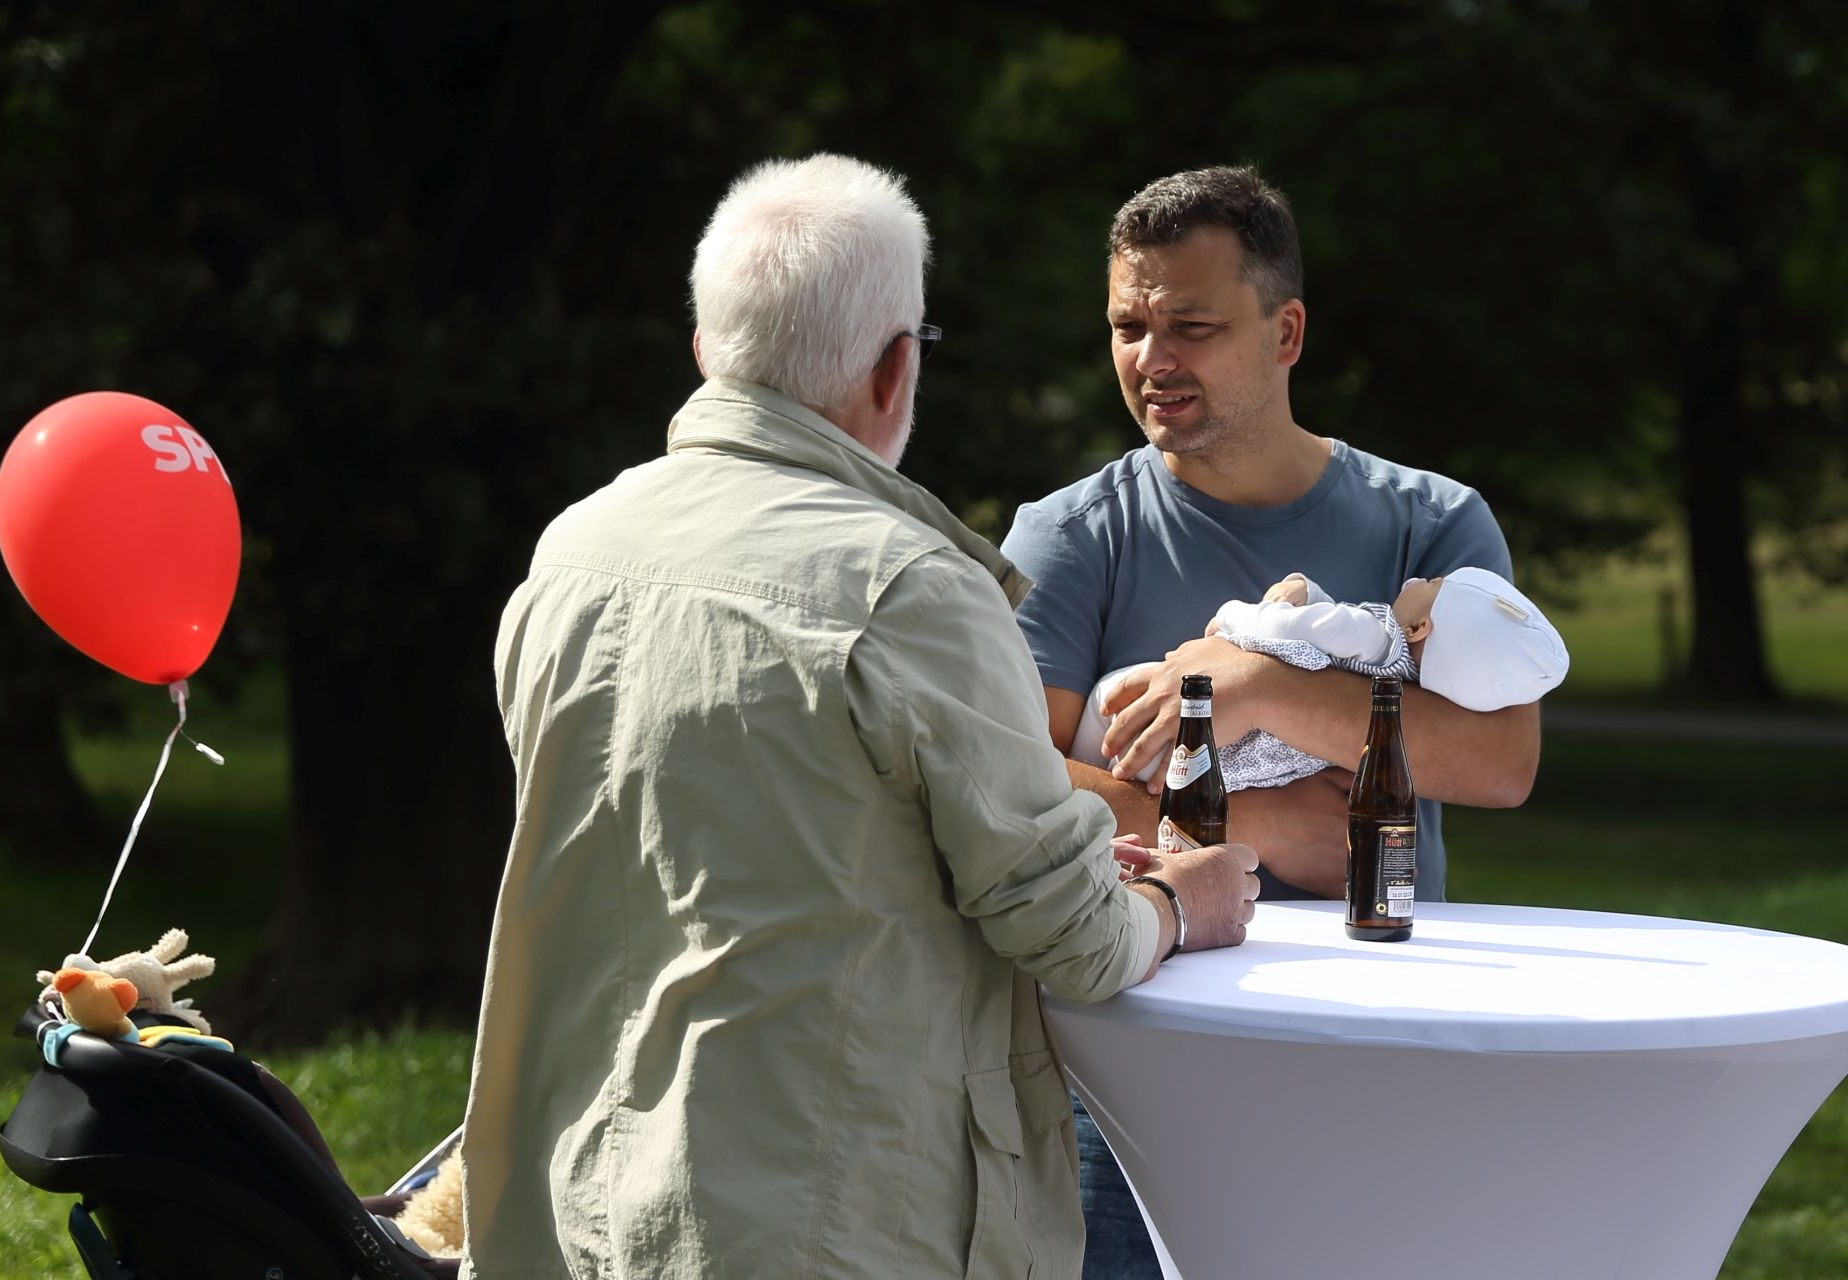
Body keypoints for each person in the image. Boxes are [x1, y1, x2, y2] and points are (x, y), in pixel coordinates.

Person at [457, 154, 1261, 1280]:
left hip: (587, 1188)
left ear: (707, 349)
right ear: (895, 369)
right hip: (829, 1211)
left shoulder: (575, 549)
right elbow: (1077, 939)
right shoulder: (912, 588)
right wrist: (1181, 901)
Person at [998, 165, 1543, 1279]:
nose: (1152, 360)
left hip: (1379, 1039)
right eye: (1129, 327)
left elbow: (1501, 761)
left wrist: (1262, 686)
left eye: (1191, 327)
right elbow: (1006, 777)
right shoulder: (1069, 535)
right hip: (1129, 1060)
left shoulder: (1432, 524)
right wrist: (1245, 823)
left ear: (1286, 332)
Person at [1074, 567, 1570, 790]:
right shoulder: (1403, 681)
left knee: (1106, 705)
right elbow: (1326, 637)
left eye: (1434, 584)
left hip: (1178, 715)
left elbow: (1292, 629)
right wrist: (1306, 591)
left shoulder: (1374, 635)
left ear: (1420, 627)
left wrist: (1231, 618)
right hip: (1236, 764)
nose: (1420, 579)